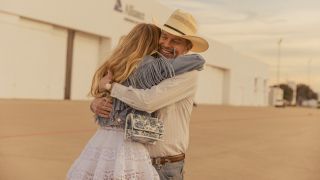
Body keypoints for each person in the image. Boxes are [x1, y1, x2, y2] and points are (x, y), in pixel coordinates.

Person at [91, 9, 209, 180]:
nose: (166, 44)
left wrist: (112, 87)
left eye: (175, 41)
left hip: (165, 165)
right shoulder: (151, 67)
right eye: (164, 37)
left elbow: (148, 101)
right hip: (135, 159)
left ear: (187, 47)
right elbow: (125, 97)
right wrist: (97, 103)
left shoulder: (187, 74)